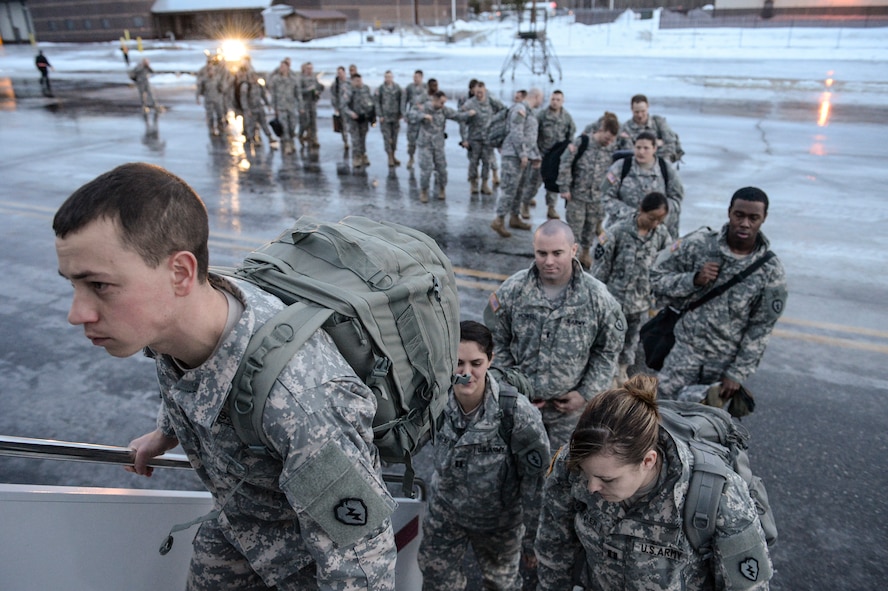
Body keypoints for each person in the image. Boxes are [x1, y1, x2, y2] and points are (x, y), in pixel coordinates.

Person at [53, 162, 397, 590]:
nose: (76, 314)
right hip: (239, 525)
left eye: (99, 286)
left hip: (306, 566)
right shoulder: (178, 319)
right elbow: (191, 374)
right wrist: (166, 430)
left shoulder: (301, 401)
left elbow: (362, 560)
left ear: (180, 273)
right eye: (73, 285)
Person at [536, 374, 772, 590]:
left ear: (648, 461)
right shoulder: (574, 462)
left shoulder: (718, 494)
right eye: (587, 475)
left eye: (607, 479)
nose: (591, 487)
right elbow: (554, 546)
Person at [418, 321, 549, 591]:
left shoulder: (517, 414)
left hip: (498, 522)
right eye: (458, 363)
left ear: (490, 360)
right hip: (446, 512)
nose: (466, 373)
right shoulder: (434, 401)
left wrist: (533, 540)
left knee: (501, 585)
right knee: (436, 580)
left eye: (475, 363)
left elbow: (536, 484)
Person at [483, 220, 626, 451]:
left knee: (564, 470)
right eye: (542, 253)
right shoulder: (513, 291)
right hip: (519, 406)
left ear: (573, 250)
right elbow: (495, 341)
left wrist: (586, 392)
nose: (549, 261)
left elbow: (608, 350)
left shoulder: (597, 298)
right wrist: (512, 387)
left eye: (557, 253)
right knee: (517, 469)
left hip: (571, 413)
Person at [649, 187, 787, 401]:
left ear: (764, 219)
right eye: (739, 215)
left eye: (753, 218)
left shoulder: (770, 270)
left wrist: (737, 373)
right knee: (659, 416)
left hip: (723, 364)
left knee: (707, 427)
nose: (745, 223)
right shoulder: (699, 245)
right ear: (729, 212)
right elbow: (654, 277)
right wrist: (693, 280)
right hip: (684, 353)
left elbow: (761, 328)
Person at [592, 192, 672, 386]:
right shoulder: (617, 232)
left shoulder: (661, 235)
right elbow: (599, 270)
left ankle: (622, 369)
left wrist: (657, 299)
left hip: (640, 301)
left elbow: (666, 264)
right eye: (652, 218)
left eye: (660, 220)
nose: (655, 224)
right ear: (640, 209)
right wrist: (597, 300)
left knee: (631, 339)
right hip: (614, 301)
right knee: (609, 340)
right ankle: (607, 374)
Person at [557, 112, 620, 269]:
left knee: (591, 229)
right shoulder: (582, 142)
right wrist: (564, 188)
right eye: (607, 138)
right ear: (602, 129)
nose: (609, 142)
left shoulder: (611, 148)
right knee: (574, 230)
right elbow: (565, 163)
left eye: (612, 140)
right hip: (577, 195)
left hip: (596, 197)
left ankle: (585, 254)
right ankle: (571, 260)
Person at [601, 131, 684, 239]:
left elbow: (676, 198)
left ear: (654, 149)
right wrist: (633, 215)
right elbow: (605, 196)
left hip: (656, 233)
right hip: (623, 230)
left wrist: (657, 215)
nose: (641, 152)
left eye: (646, 148)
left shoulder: (666, 169)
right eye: (638, 147)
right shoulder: (620, 167)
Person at [490, 88, 544, 238]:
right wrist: (522, 153)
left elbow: (530, 137)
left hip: (523, 157)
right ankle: (499, 219)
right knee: (509, 189)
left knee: (519, 188)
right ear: (536, 96)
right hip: (513, 156)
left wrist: (535, 156)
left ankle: (514, 217)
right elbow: (516, 132)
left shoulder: (530, 112)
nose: (542, 101)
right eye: (541, 98)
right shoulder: (520, 109)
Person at [409, 90, 474, 202]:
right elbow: (410, 115)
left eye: (444, 103)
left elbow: (457, 115)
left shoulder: (443, 110)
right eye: (441, 103)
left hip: (438, 145)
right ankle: (424, 191)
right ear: (435, 100)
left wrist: (468, 114)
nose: (443, 105)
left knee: (442, 169)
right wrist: (423, 116)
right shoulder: (424, 107)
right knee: (426, 169)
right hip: (425, 144)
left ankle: (442, 189)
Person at [522, 90, 576, 220]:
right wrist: (534, 154)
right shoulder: (542, 115)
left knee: (553, 183)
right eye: (553, 99)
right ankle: (525, 204)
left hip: (557, 157)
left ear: (562, 101)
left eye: (558, 100)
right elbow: (533, 134)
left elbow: (570, 135)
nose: (555, 102)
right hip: (542, 155)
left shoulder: (566, 117)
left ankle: (551, 208)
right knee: (534, 182)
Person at [460, 81, 505, 195]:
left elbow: (504, 110)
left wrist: (497, 125)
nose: (479, 94)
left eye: (481, 92)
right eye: (477, 92)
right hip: (474, 138)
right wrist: (464, 139)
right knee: (473, 162)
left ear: (485, 91)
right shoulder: (469, 103)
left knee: (487, 162)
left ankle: (485, 184)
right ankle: (473, 183)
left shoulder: (491, 101)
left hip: (487, 138)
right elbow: (461, 119)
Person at [616, 94, 684, 164]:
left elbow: (670, 144)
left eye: (643, 111)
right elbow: (628, 151)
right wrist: (655, 143)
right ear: (631, 109)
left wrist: (659, 162)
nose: (640, 115)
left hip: (661, 163)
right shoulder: (625, 128)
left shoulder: (658, 123)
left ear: (648, 107)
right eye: (636, 112)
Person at [268, 58, 301, 154]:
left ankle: (291, 142)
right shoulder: (276, 79)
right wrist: (273, 106)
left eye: (283, 66)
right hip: (281, 107)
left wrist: (300, 106)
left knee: (292, 126)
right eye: (280, 66)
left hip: (291, 106)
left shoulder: (293, 79)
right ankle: (287, 145)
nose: (281, 68)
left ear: (287, 67)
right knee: (284, 127)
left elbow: (297, 93)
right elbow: (273, 93)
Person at [344, 73, 376, 169]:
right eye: (357, 81)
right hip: (354, 119)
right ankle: (356, 158)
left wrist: (372, 115)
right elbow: (344, 106)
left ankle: (363, 155)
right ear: (352, 81)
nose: (359, 82)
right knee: (355, 139)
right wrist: (351, 113)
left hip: (364, 118)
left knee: (363, 138)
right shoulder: (349, 91)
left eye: (360, 80)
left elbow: (370, 102)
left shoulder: (366, 89)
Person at [239, 71, 275, 148]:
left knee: (264, 124)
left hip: (259, 108)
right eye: (253, 77)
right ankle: (252, 139)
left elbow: (263, 96)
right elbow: (243, 99)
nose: (255, 78)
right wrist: (246, 110)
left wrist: (268, 104)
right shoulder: (246, 86)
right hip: (251, 109)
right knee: (251, 126)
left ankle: (269, 137)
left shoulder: (259, 86)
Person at [375, 70, 403, 167]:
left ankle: (394, 155)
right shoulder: (380, 89)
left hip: (395, 117)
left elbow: (401, 101)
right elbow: (377, 102)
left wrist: (401, 113)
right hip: (385, 117)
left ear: (392, 77)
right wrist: (380, 115)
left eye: (390, 77)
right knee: (387, 138)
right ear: (384, 78)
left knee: (395, 138)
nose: (388, 78)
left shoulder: (397, 88)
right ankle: (389, 157)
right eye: (386, 77)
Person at [196, 56, 226, 136]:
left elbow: (222, 86)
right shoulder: (204, 79)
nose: (211, 72)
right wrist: (197, 98)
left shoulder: (217, 78)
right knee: (210, 116)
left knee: (220, 114)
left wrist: (222, 91)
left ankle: (220, 126)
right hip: (208, 99)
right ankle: (212, 129)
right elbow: (199, 88)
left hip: (217, 99)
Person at [297, 61, 324, 149]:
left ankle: (314, 139)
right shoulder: (301, 78)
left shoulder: (313, 78)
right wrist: (308, 90)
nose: (310, 70)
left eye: (311, 69)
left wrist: (318, 90)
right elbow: (298, 92)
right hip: (304, 103)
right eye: (308, 68)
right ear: (304, 69)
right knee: (305, 121)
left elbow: (318, 87)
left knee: (313, 122)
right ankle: (300, 134)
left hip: (312, 102)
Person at [403, 70, 427, 168]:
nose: (415, 79)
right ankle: (411, 158)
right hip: (412, 117)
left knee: (424, 141)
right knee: (411, 140)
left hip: (423, 117)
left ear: (421, 77)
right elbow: (403, 101)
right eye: (414, 77)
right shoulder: (409, 87)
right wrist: (404, 114)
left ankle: (425, 160)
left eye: (417, 77)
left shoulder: (426, 87)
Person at [331, 66, 351, 151]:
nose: (340, 74)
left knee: (351, 125)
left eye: (341, 73)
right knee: (343, 126)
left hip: (349, 107)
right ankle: (346, 141)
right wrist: (335, 107)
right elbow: (333, 96)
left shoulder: (349, 82)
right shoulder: (335, 84)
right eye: (338, 73)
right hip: (341, 107)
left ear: (344, 73)